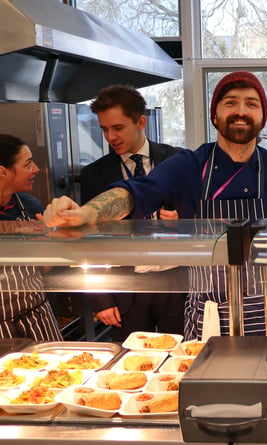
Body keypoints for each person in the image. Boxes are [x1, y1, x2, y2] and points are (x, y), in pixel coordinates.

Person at [40, 71, 267, 341]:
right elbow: (133, 193)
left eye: (251, 104)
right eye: (230, 103)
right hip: (206, 311)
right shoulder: (187, 165)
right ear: (215, 116)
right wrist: (86, 213)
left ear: (262, 118)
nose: (241, 111)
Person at [80, 85, 186, 342]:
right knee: (131, 362)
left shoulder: (179, 160)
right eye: (104, 129)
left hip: (179, 281)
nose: (110, 137)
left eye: (118, 128)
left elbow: (206, 216)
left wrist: (183, 218)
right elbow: (89, 243)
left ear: (141, 122)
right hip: (126, 287)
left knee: (185, 358)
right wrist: (101, 299)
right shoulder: (94, 175)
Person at [0, 133, 63, 341]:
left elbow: (44, 268)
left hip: (37, 316)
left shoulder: (30, 205)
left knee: (59, 372)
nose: (36, 169)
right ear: (2, 171)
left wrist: (48, 247)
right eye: (28, 164)